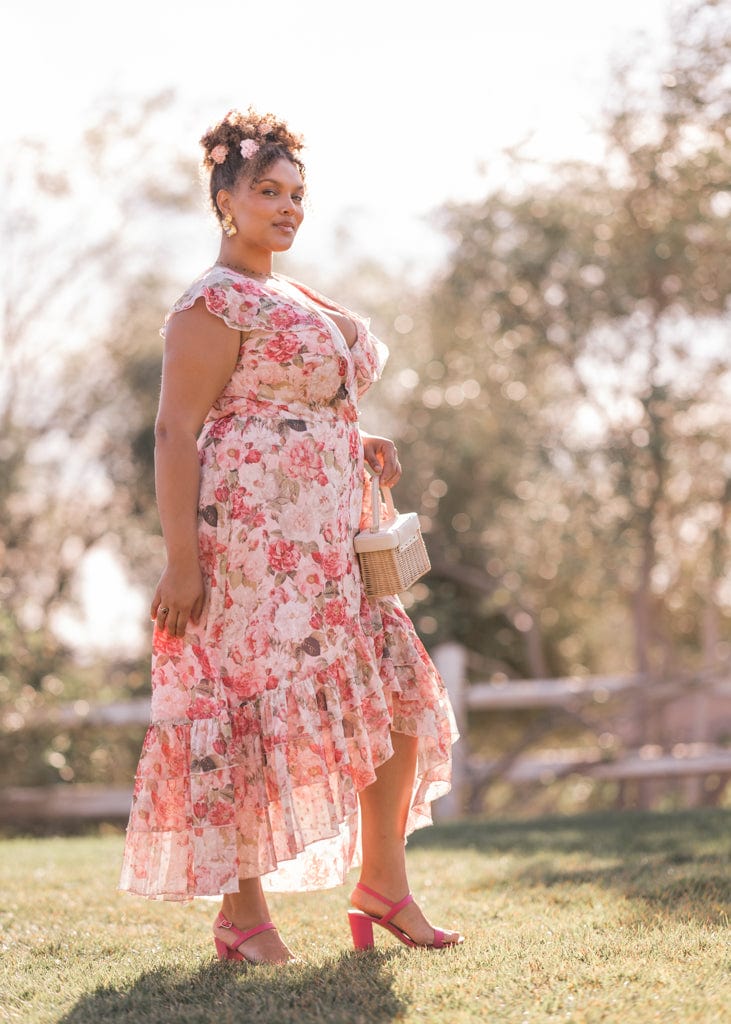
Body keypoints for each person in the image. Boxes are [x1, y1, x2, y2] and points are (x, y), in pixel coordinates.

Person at [118, 107, 462, 964]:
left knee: (394, 697)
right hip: (250, 547)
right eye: (268, 192)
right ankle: (242, 916)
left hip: (331, 541)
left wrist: (354, 437)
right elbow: (175, 430)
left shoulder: (293, 293)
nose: (288, 208)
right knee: (246, 713)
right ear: (225, 200)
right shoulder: (212, 301)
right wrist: (182, 562)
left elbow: (285, 399)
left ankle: (383, 886)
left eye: (297, 194)